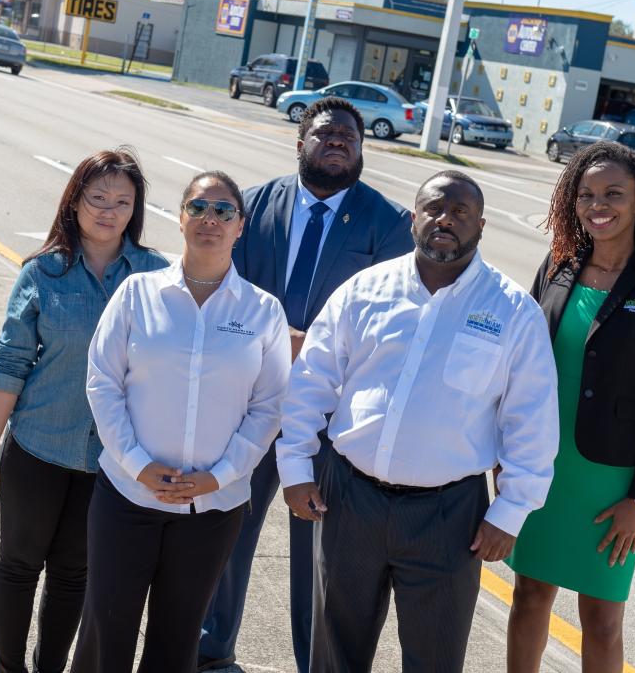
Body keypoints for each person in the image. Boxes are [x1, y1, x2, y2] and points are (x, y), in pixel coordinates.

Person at [277, 170, 560, 672]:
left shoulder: (513, 310)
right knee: (334, 653)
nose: (445, 219)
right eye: (434, 208)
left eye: (460, 212)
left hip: (448, 516)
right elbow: (311, 379)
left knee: (434, 658)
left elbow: (532, 421)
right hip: (350, 499)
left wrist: (511, 511)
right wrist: (296, 468)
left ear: (481, 225)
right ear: (414, 218)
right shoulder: (366, 289)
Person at [199, 97, 413, 672]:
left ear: (362, 150)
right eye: (326, 132)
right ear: (301, 144)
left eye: (350, 135)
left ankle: (313, 662)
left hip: (326, 416)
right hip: (250, 398)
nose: (339, 140)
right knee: (228, 528)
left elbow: (394, 324)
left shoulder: (389, 224)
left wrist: (307, 344)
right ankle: (210, 649)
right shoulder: (257, 205)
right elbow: (224, 286)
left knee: (315, 549)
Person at [73, 171, 291, 673]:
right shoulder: (138, 294)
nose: (209, 219)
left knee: (177, 640)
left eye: (223, 211)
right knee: (107, 630)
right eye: (198, 208)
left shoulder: (263, 312)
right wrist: (137, 465)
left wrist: (221, 475)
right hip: (127, 497)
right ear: (180, 218)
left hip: (212, 507)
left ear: (241, 226)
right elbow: (103, 382)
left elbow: (269, 405)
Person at [506, 141, 635, 673]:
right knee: (528, 598)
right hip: (542, 464)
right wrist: (505, 453)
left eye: (614, 193)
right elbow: (520, 360)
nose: (600, 204)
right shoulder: (560, 263)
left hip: (611, 480)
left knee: (602, 619)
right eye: (587, 194)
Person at [0, 149, 169, 673]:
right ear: (75, 202)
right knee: (19, 566)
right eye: (97, 198)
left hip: (110, 459)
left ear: (136, 210)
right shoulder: (43, 273)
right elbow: (9, 366)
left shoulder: (157, 278)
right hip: (39, 445)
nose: (108, 211)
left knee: (72, 574)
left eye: (122, 202)